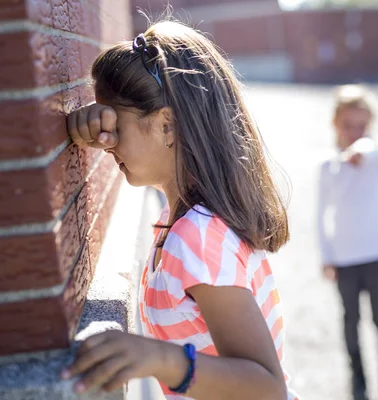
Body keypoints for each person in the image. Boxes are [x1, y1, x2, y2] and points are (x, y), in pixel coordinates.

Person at [63, 20, 298, 400]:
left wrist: (160, 358)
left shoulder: (196, 236)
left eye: (115, 125)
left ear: (167, 125)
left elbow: (268, 388)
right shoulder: (183, 223)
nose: (106, 142)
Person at [317, 85, 378, 400]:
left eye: (361, 125)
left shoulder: (376, 150)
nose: (355, 132)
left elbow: (373, 148)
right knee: (351, 321)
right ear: (335, 124)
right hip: (345, 259)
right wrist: (326, 256)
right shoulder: (328, 165)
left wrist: (362, 147)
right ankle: (358, 381)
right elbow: (321, 215)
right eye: (348, 125)